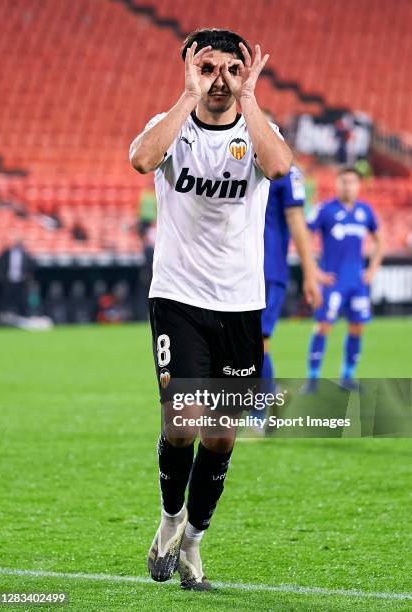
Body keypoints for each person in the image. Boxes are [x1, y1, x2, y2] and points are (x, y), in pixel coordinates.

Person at [129, 28, 292, 590]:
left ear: (244, 73)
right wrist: (186, 96)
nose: (219, 78)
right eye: (208, 67)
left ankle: (193, 542)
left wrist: (251, 99)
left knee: (221, 437)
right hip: (177, 297)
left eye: (230, 68)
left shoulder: (257, 130)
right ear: (189, 69)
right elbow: (140, 158)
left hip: (240, 304)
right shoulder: (169, 127)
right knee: (183, 425)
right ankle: (170, 518)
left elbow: (278, 168)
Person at [249, 133, 322, 427]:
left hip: (268, 269)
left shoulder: (287, 173)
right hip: (232, 268)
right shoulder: (234, 164)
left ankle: (258, 415)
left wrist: (309, 272)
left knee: (257, 343)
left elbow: (297, 221)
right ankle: (273, 393)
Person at [304, 167, 383, 392]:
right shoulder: (325, 210)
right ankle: (313, 378)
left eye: (351, 182)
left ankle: (347, 377)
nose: (347, 186)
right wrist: (314, 271)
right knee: (323, 327)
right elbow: (304, 236)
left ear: (359, 186)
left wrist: (373, 269)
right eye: (343, 182)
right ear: (337, 184)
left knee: (357, 327)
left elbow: (379, 241)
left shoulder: (365, 211)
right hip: (332, 281)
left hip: (357, 284)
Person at [0, 239, 35, 316]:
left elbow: (32, 265)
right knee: (6, 299)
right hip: (8, 281)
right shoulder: (7, 253)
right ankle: (4, 315)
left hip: (21, 281)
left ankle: (23, 315)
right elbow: (0, 265)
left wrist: (27, 275)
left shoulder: (25, 254)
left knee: (22, 299)